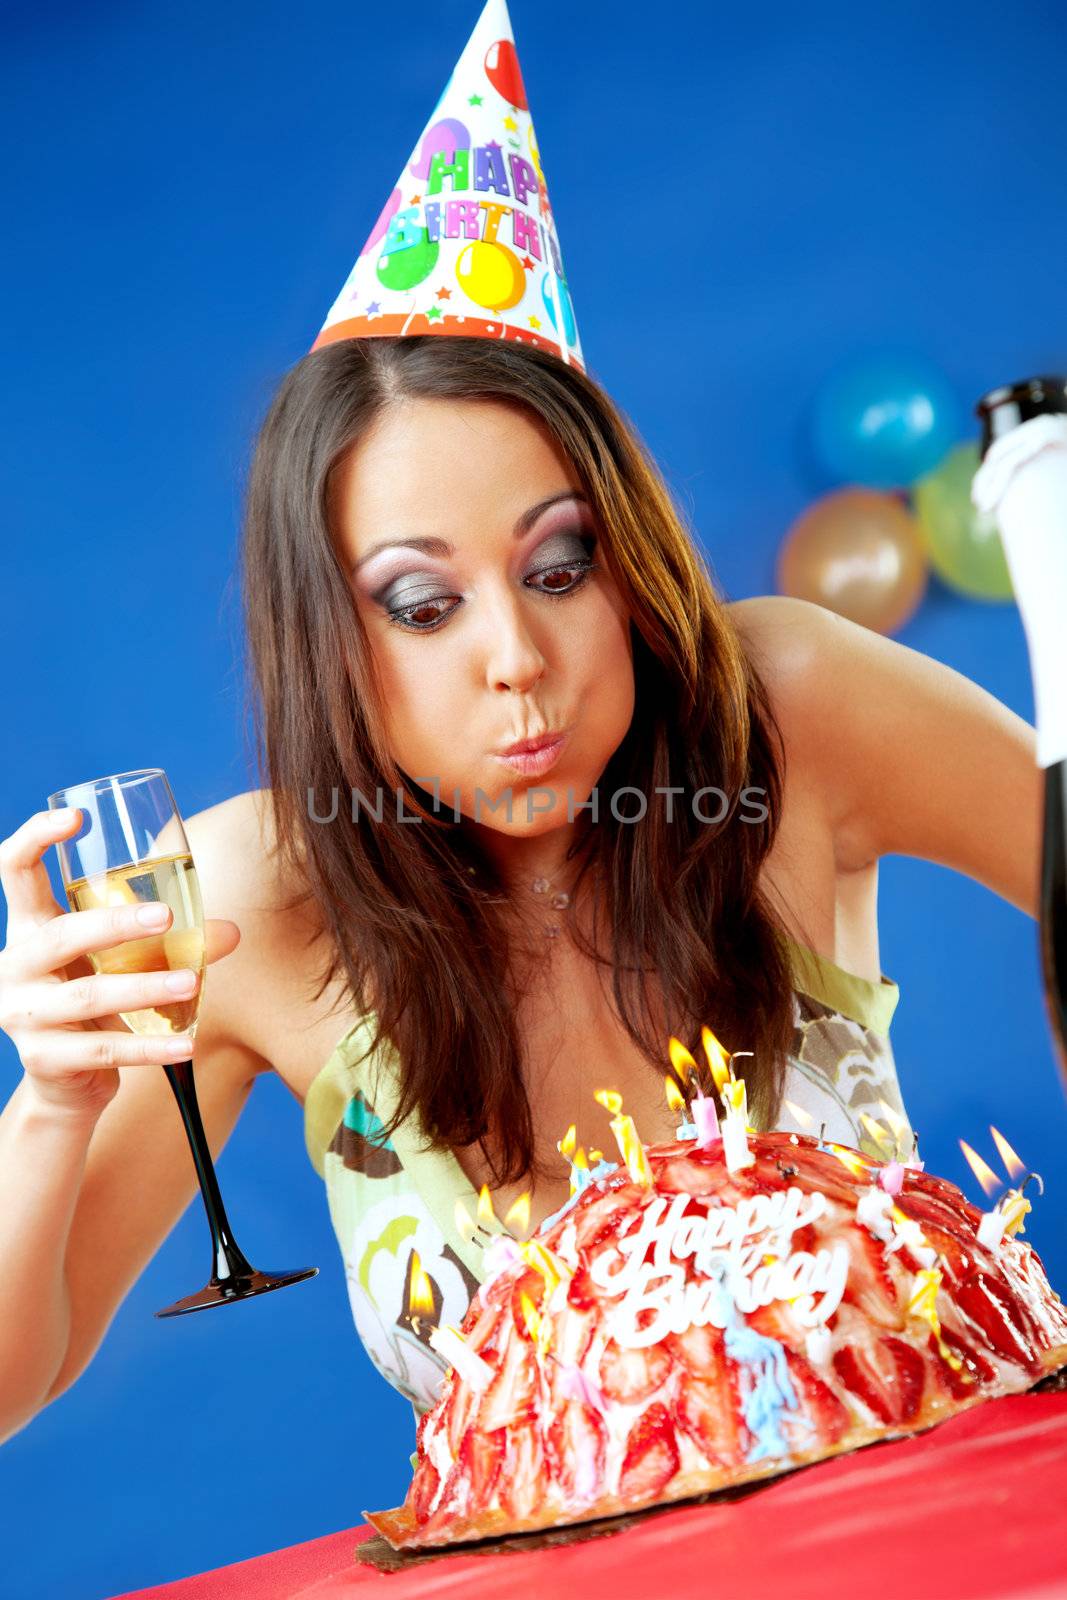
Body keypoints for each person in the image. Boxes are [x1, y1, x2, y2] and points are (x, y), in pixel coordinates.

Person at [0, 330, 1043, 1437]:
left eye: (558, 569)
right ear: (324, 636)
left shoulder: (782, 715)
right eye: (420, 603)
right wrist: (48, 1110)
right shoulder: (246, 900)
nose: (516, 655)